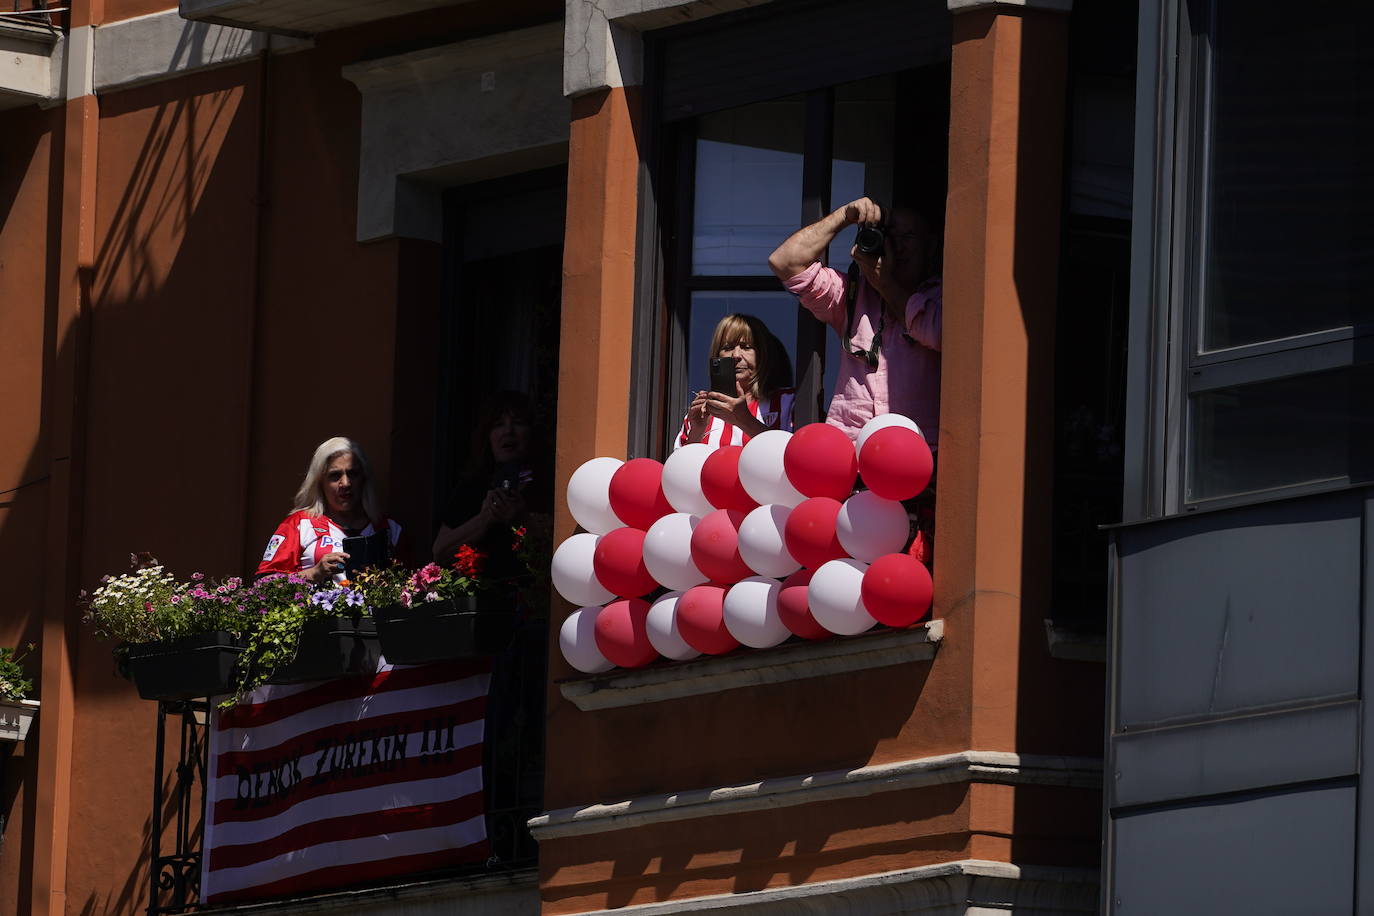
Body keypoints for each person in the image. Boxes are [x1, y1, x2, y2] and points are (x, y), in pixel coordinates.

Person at [768, 197, 941, 446]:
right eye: (890, 237)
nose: (898, 247)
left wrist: (885, 283)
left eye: (909, 237)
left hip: (919, 459)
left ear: (931, 246)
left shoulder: (942, 295)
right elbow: (784, 262)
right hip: (853, 462)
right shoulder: (852, 294)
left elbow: (935, 332)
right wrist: (844, 216)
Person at [432, 391, 552, 577]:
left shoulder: (548, 483)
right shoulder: (473, 486)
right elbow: (440, 552)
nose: (508, 431)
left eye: (518, 422)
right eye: (498, 425)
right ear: (488, 436)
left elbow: (559, 545)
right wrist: (487, 517)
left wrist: (522, 519)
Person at [257, 437, 403, 583]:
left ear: (364, 478)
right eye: (335, 475)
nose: (345, 483)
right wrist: (313, 573)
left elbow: (412, 588)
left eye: (352, 474)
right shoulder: (299, 525)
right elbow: (263, 584)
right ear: (320, 482)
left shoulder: (389, 529)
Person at [676, 313, 795, 449]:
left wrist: (744, 419)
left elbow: (794, 455)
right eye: (727, 348)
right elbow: (680, 467)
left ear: (762, 355)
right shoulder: (700, 413)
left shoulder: (788, 403)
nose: (736, 355)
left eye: (746, 347)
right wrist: (696, 433)